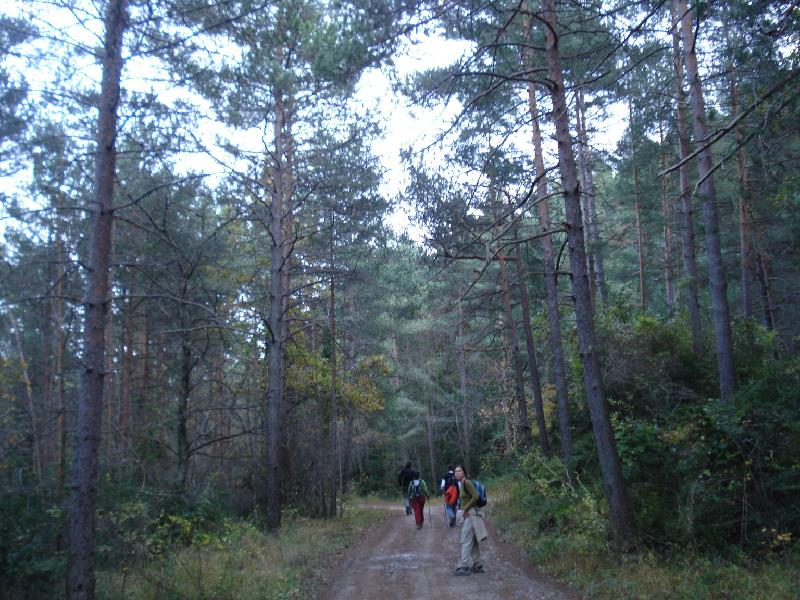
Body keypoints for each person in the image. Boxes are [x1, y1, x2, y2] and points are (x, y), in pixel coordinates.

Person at [453, 464, 487, 576]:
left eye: (459, 471)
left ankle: (464, 566)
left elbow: (476, 496)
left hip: (470, 515)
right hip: (471, 514)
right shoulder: (462, 484)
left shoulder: (466, 482)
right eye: (455, 471)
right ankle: (477, 565)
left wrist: (465, 509)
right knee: (474, 541)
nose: (456, 473)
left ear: (463, 472)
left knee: (465, 540)